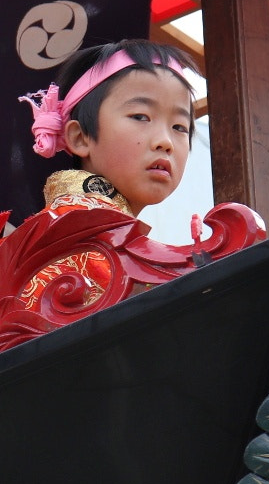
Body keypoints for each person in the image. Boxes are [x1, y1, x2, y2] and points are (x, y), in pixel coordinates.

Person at [19, 39, 198, 308]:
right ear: (80, 138)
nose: (165, 141)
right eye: (140, 116)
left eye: (179, 127)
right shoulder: (75, 231)